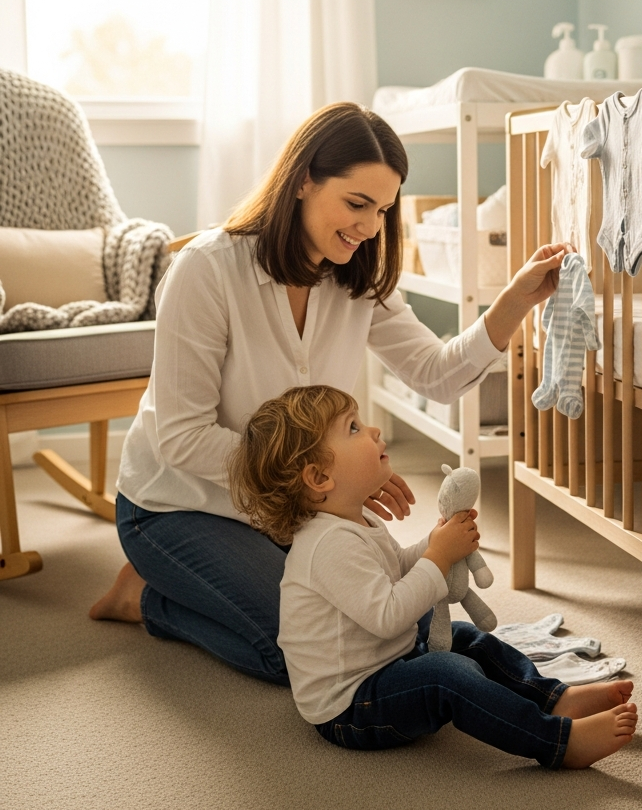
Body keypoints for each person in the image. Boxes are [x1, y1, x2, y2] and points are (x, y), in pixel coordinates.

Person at [89, 102, 570, 685]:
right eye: (356, 204)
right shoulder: (207, 270)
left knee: (390, 624)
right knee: (305, 654)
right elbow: (181, 439)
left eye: (383, 209)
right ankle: (146, 598)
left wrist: (516, 300)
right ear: (302, 182)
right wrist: (325, 475)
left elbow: (436, 373)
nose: (369, 227)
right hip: (177, 504)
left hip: (289, 506)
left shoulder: (358, 274)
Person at [229, 384, 638, 768]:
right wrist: (438, 558)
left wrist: (434, 541)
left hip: (390, 658)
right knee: (448, 675)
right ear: (320, 478)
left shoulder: (359, 518)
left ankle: (553, 697)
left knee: (463, 637)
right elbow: (389, 615)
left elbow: (397, 567)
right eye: (353, 428)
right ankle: (557, 742)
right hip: (352, 705)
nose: (372, 429)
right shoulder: (326, 546)